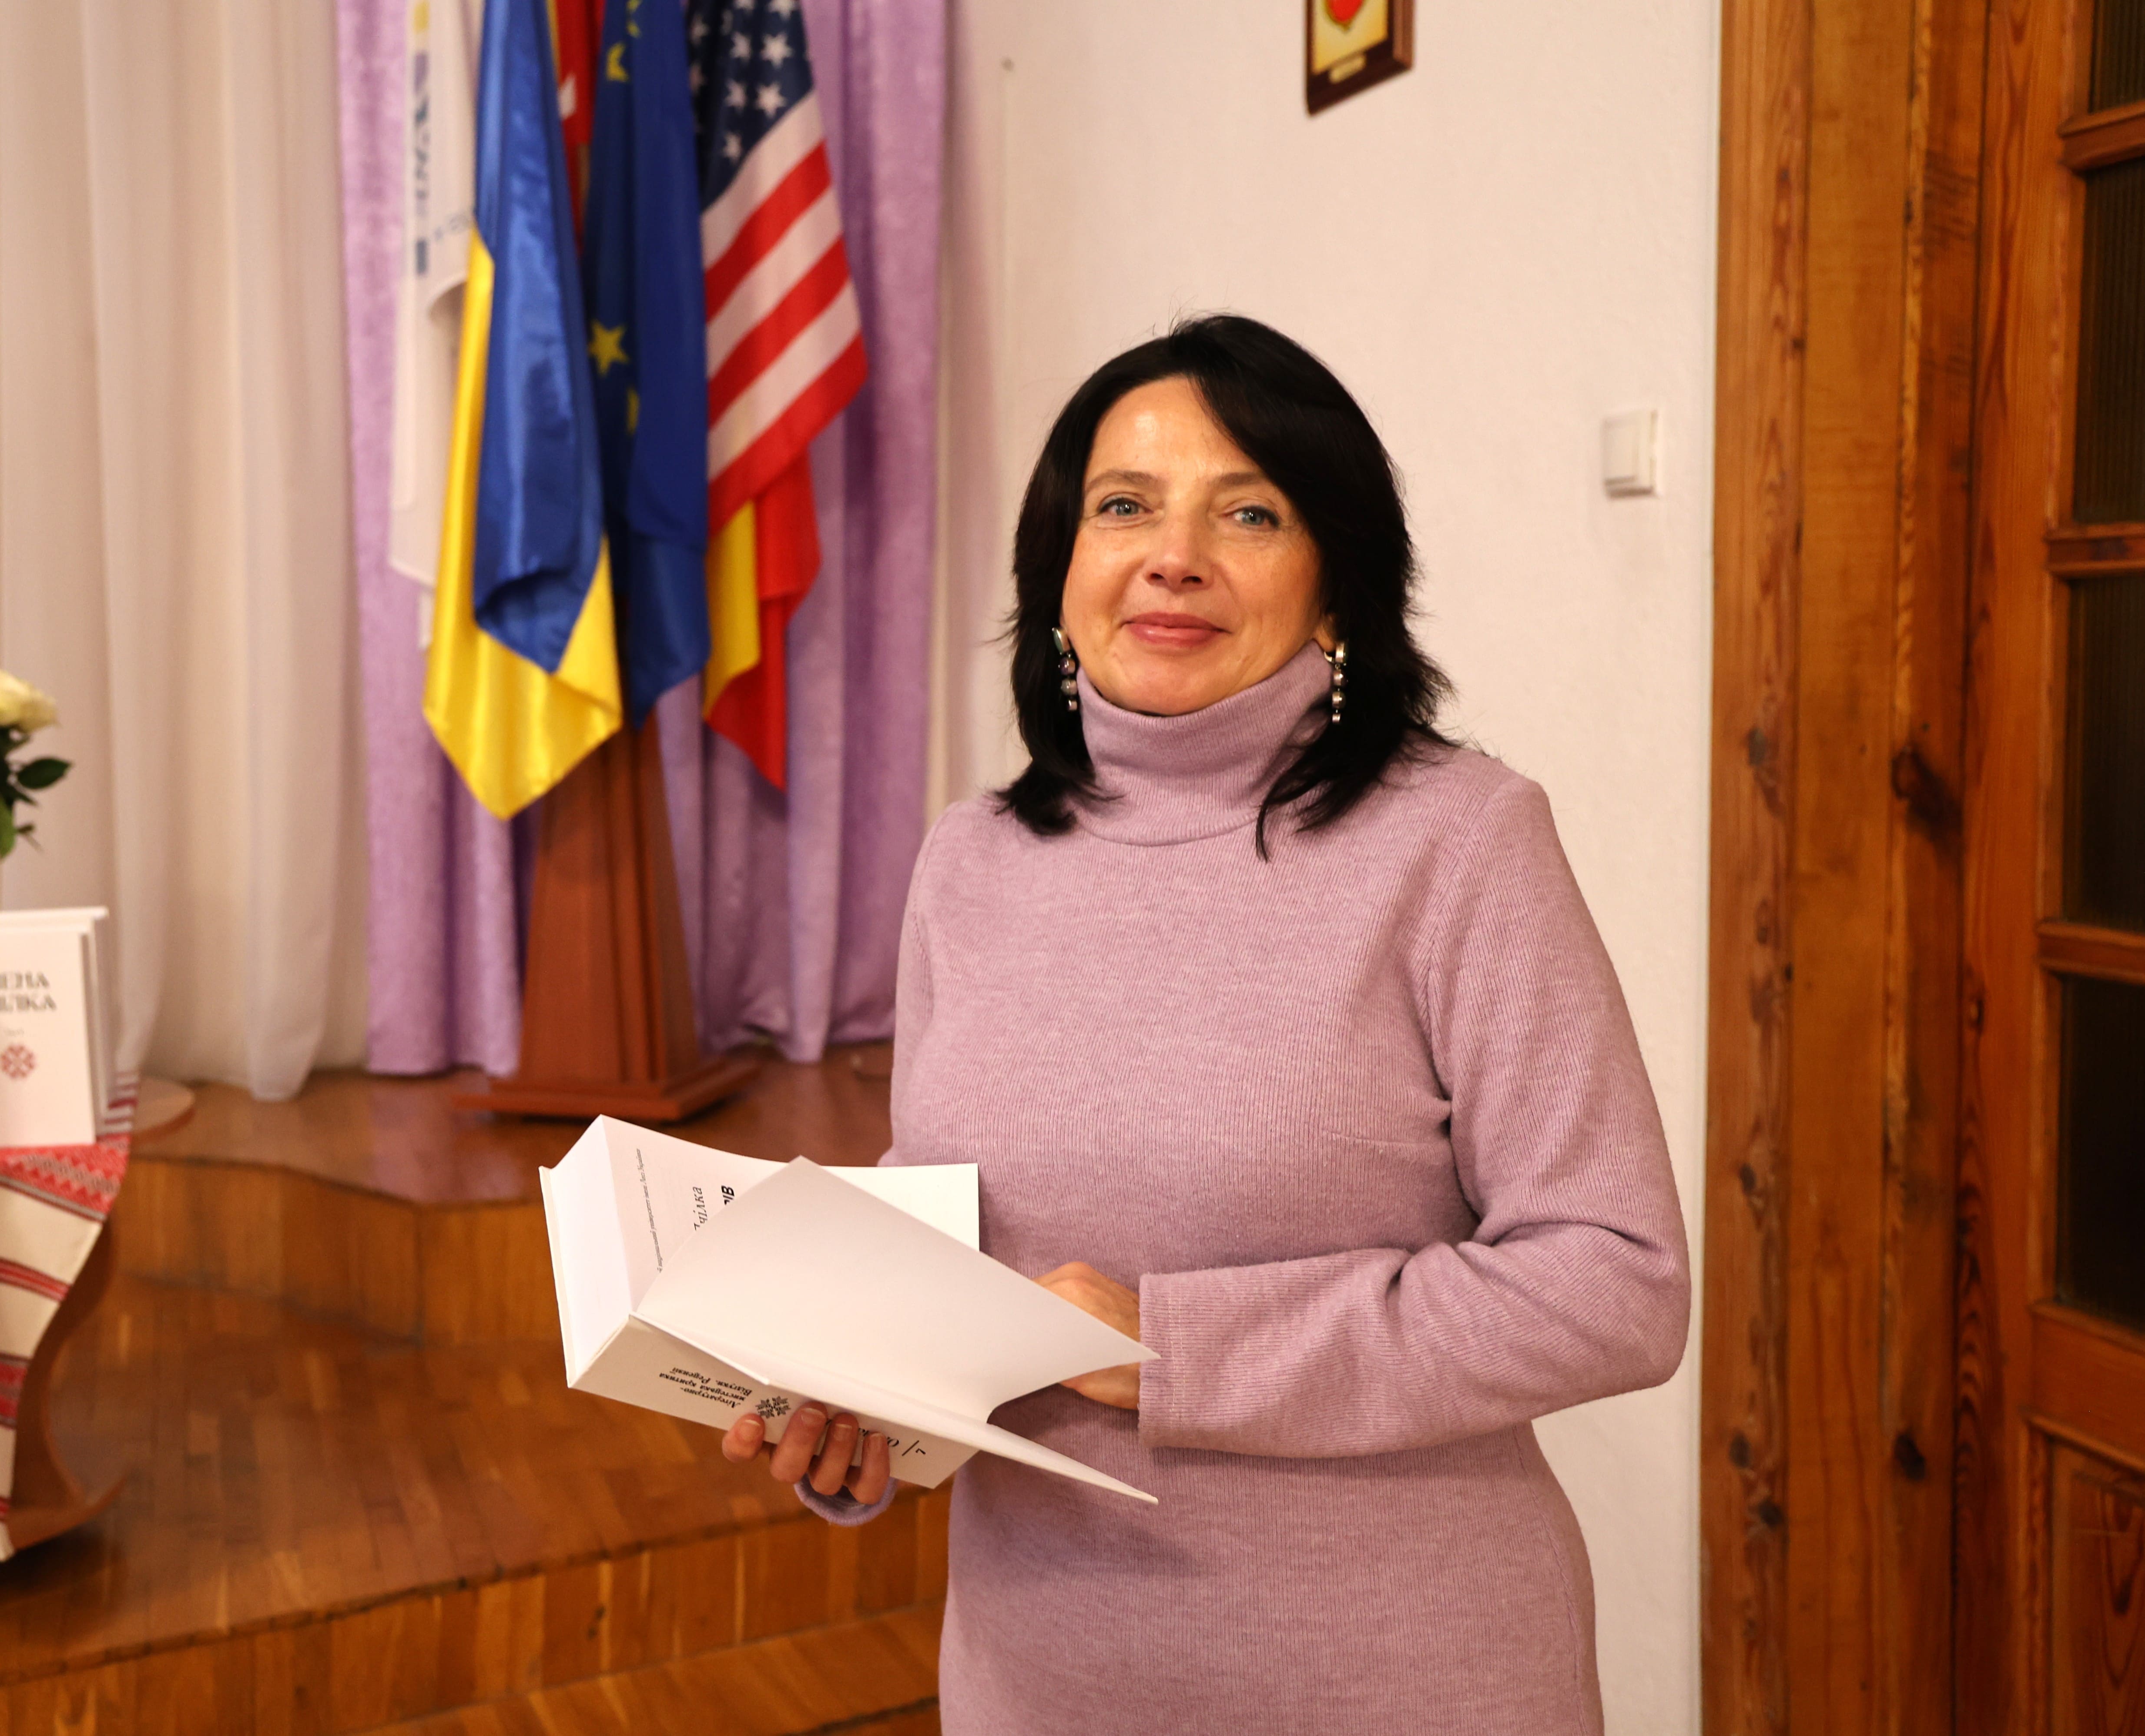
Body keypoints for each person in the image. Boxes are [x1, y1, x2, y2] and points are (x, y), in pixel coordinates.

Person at [718, 314, 1690, 1733]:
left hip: (1392, 1677)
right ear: (1058, 577)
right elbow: (961, 1240)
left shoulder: (1459, 842)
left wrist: (1174, 1352)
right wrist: (861, 1408)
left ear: (1337, 589)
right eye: (1124, 507)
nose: (1173, 555)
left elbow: (1614, 1285)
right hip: (1037, 1678)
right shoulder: (972, 857)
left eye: (1248, 512)